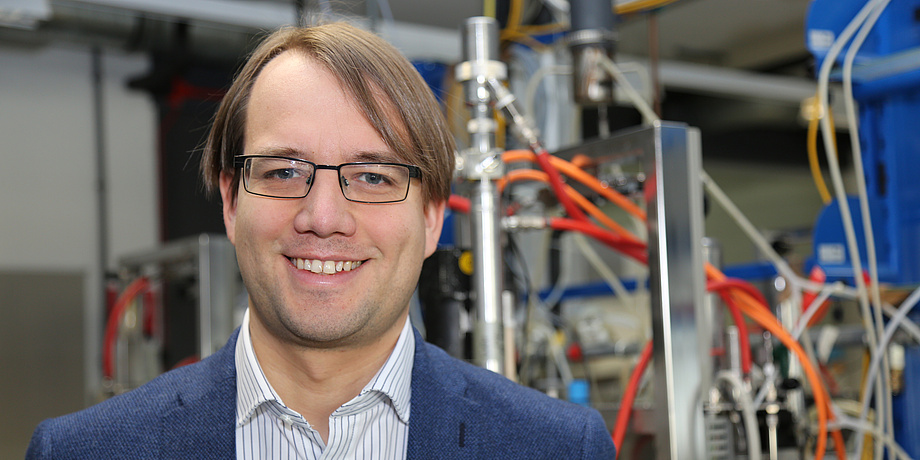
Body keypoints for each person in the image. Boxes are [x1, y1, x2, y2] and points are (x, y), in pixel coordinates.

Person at [26, 22, 616, 459]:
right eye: (283, 171)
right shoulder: (85, 450)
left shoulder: (557, 448)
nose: (324, 216)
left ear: (434, 217)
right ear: (232, 202)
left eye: (373, 176)